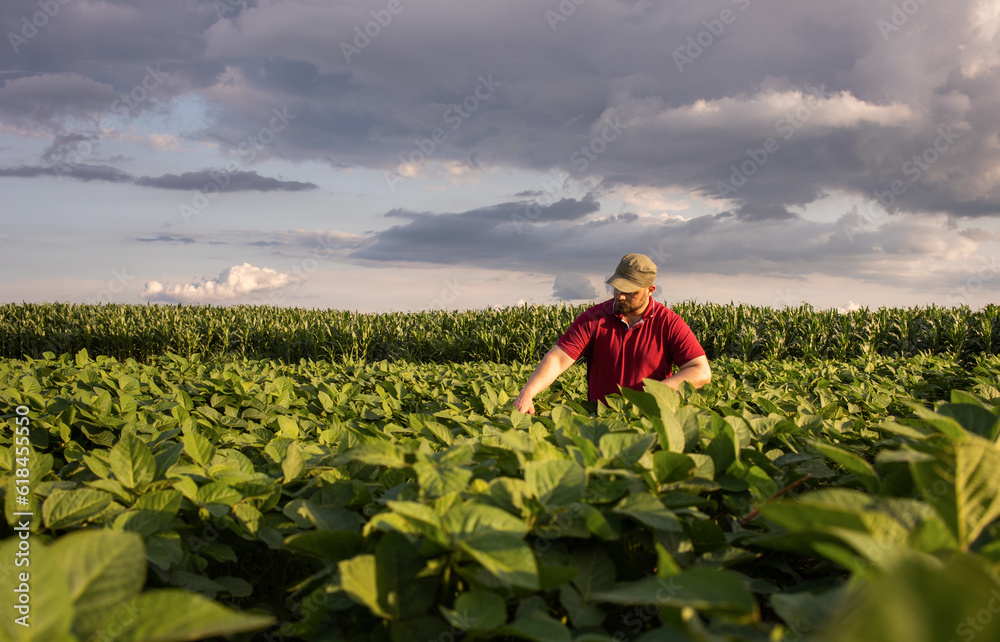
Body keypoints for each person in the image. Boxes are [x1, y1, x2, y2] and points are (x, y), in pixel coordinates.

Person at [513, 253, 711, 415]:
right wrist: (527, 394)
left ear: (650, 290)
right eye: (617, 288)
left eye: (630, 292)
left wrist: (655, 394)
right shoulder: (594, 318)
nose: (620, 296)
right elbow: (558, 359)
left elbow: (700, 371)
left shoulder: (669, 323)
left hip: (648, 419)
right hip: (599, 419)